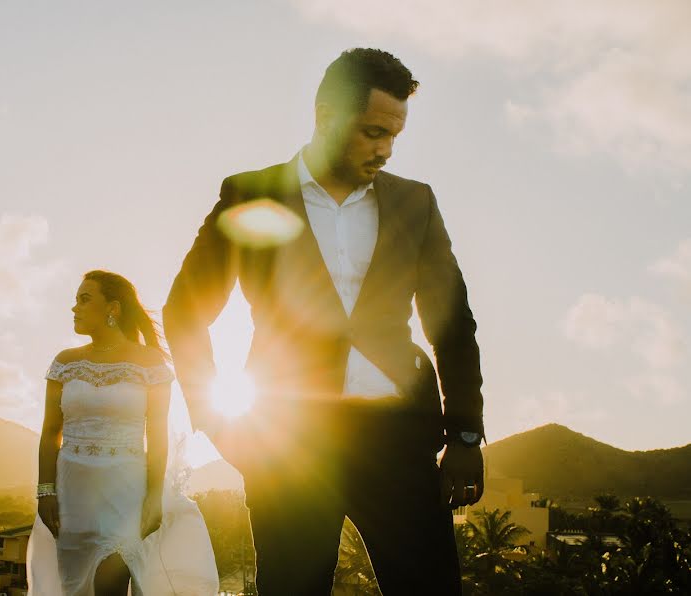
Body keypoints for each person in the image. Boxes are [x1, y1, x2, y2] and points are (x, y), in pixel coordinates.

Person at [164, 48, 486, 595]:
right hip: (291, 442)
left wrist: (465, 435)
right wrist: (216, 423)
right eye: (372, 133)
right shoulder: (249, 194)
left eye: (394, 136)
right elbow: (185, 312)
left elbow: (451, 322)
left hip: (399, 440)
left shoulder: (416, 203)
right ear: (324, 116)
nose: (385, 150)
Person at [26, 270, 218, 596]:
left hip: (126, 491)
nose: (75, 308)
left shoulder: (149, 362)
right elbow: (49, 434)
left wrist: (154, 497)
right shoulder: (64, 363)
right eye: (75, 300)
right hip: (73, 492)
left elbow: (157, 437)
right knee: (75, 588)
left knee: (111, 582)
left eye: (85, 299)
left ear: (112, 308)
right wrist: (45, 491)